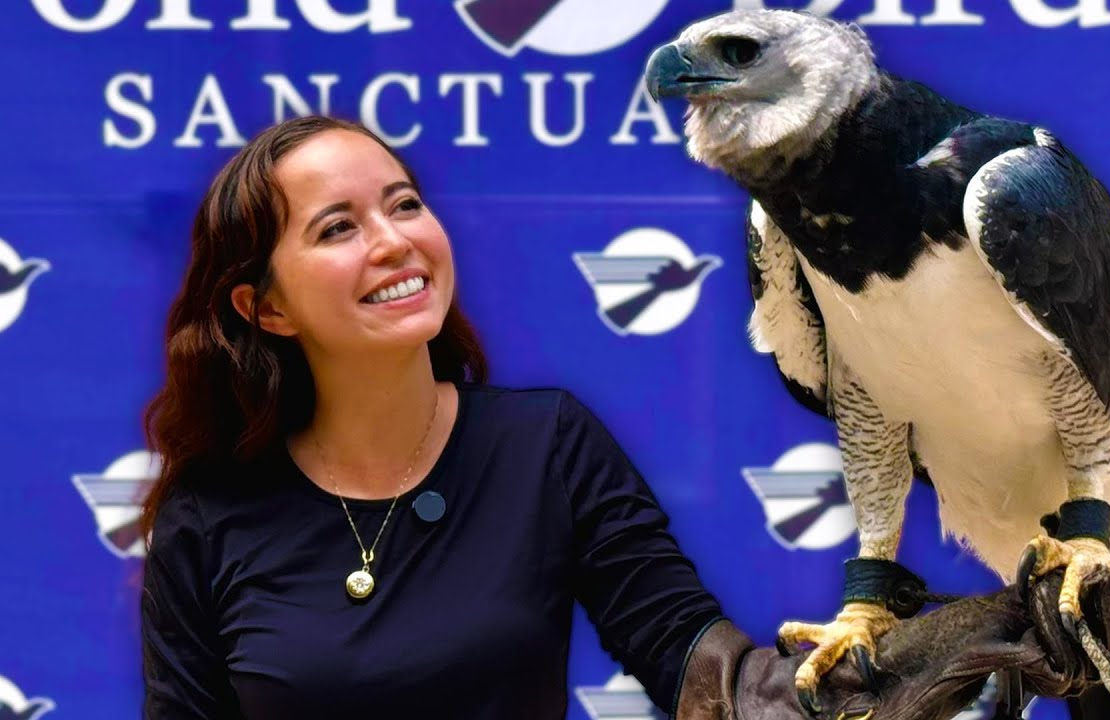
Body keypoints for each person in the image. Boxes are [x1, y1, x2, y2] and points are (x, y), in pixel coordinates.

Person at [138, 115, 816, 719]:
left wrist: (824, 699)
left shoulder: (546, 443)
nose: (394, 241)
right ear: (267, 309)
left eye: (404, 205)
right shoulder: (208, 516)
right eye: (338, 227)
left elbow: (691, 661)